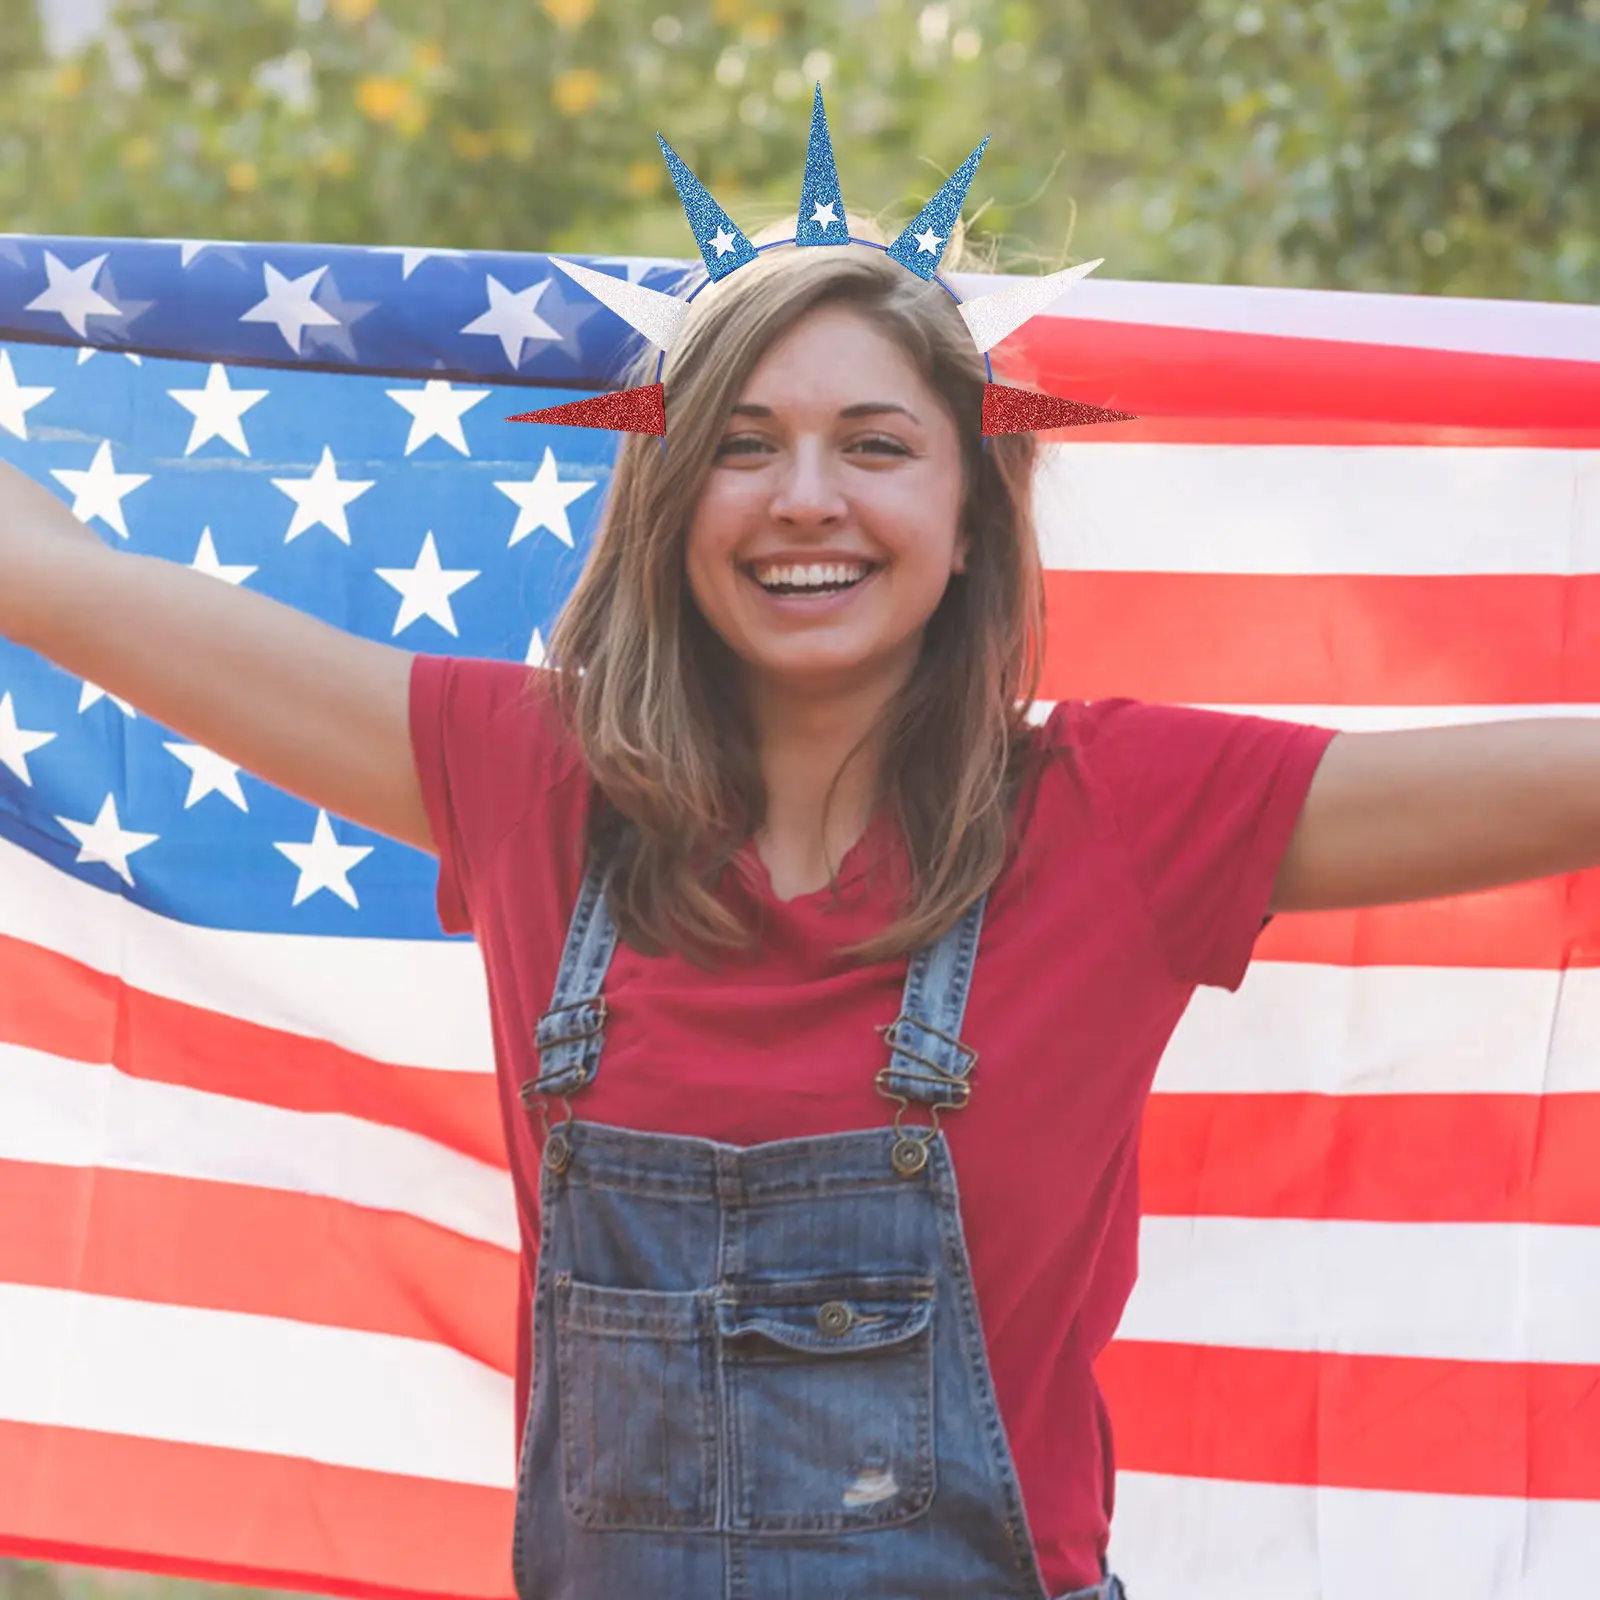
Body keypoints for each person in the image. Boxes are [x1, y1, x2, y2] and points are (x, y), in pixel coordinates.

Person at [1, 219, 1595, 1600]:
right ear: (673, 497)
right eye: (744, 444)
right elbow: (58, 578)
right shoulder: (530, 787)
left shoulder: (1122, 815)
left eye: (878, 445)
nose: (805, 498)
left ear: (974, 513)